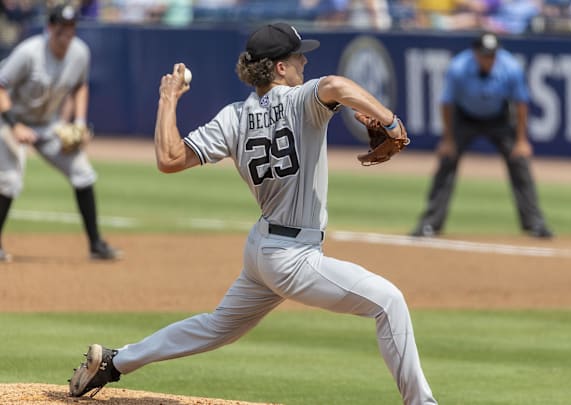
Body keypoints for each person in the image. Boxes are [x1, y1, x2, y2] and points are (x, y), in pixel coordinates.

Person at [68, 22, 438, 405]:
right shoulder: (301, 101)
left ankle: (115, 362)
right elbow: (338, 87)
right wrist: (390, 120)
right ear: (279, 67)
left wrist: (168, 99)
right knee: (388, 301)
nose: (303, 60)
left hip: (262, 248)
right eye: (297, 55)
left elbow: (169, 158)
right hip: (293, 257)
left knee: (216, 327)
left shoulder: (234, 117)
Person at [0, 3, 120, 262]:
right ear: (50, 28)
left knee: (82, 172)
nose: (67, 33)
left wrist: (78, 122)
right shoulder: (29, 53)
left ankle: (96, 245)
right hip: (10, 120)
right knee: (9, 180)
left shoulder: (80, 53)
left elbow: (80, 87)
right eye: (61, 27)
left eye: (71, 27)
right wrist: (15, 125)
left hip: (46, 124)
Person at [411, 31, 553, 239]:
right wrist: (448, 139)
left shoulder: (510, 67)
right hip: (465, 116)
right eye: (485, 55)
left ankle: (535, 223)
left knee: (519, 162)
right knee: (447, 162)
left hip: (499, 117)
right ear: (475, 53)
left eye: (493, 55)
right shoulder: (459, 67)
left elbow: (521, 103)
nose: (489, 59)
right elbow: (447, 103)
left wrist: (522, 140)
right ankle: (430, 224)